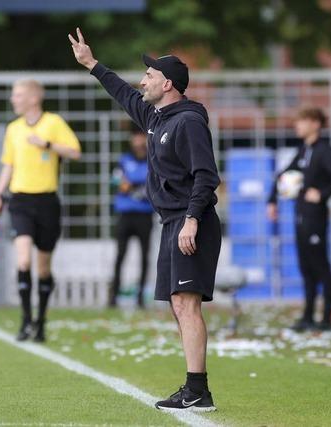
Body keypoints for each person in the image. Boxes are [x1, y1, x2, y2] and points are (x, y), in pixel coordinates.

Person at [69, 28, 221, 412]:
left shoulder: (188, 122)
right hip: (172, 222)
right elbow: (124, 94)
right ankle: (195, 387)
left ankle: (197, 389)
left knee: (187, 304)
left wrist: (191, 220)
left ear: (168, 84)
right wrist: (92, 64)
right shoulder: (156, 117)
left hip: (192, 222)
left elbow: (207, 176)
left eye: (150, 76)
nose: (143, 81)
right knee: (177, 303)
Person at [0, 79, 81, 342]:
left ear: (33, 98)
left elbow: (75, 152)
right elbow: (8, 165)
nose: (13, 99)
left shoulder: (53, 123)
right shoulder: (13, 129)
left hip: (47, 202)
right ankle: (25, 320)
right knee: (23, 260)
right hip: (20, 201)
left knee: (42, 267)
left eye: (17, 95)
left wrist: (47, 145)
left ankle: (40, 321)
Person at [267, 108, 331, 332]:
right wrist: (272, 200)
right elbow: (284, 175)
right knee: (306, 267)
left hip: (316, 218)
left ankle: (327, 317)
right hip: (300, 217)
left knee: (321, 266)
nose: (297, 126)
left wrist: (322, 193)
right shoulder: (304, 150)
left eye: (301, 122)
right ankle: (308, 316)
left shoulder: (324, 150)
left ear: (315, 124)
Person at [110, 127, 154, 308]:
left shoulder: (153, 161)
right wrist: (139, 189)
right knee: (120, 255)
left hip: (145, 215)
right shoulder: (124, 160)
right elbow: (118, 183)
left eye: (141, 137)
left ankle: (140, 298)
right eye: (136, 137)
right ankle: (112, 298)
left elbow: (152, 188)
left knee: (144, 257)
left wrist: (133, 188)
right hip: (125, 215)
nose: (139, 141)